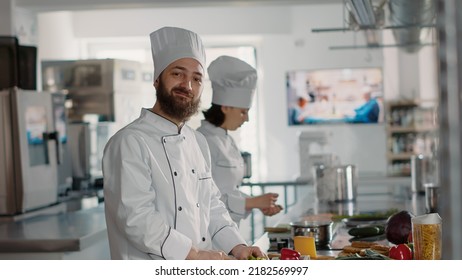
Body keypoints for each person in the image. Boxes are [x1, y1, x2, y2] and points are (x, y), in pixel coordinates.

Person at [102, 27, 266, 260]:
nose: (187, 85)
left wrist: (238, 247)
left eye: (196, 79)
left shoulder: (197, 141)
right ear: (157, 79)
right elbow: (136, 218)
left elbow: (212, 205)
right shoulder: (129, 142)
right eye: (178, 74)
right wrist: (193, 255)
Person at [197, 56, 282, 227]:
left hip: (228, 226)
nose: (247, 119)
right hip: (209, 230)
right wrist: (253, 202)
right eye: (243, 112)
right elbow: (204, 196)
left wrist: (258, 203)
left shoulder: (227, 140)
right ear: (225, 107)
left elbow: (229, 191)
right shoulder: (202, 140)